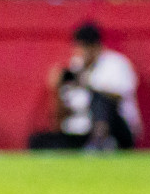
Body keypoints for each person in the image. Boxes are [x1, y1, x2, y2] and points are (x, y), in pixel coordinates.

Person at [29, 22, 142, 151]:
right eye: (78, 47)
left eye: (85, 47)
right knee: (38, 141)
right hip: (82, 130)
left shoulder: (116, 63)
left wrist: (86, 85)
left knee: (100, 99)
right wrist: (57, 88)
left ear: (96, 46)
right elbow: (65, 110)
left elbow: (118, 96)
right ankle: (92, 147)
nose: (81, 52)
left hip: (116, 128)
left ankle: (101, 142)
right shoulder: (75, 67)